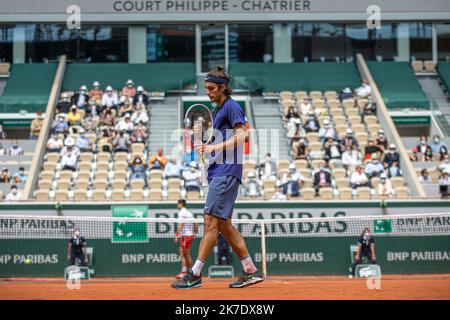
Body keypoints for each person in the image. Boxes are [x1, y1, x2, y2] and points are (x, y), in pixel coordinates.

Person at [172, 65, 263, 290]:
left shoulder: (231, 106)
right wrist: (204, 145)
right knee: (223, 225)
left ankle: (194, 274)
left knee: (210, 221)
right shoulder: (217, 111)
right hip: (218, 172)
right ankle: (250, 270)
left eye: (212, 88)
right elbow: (214, 144)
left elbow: (242, 135)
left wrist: (216, 146)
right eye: (207, 88)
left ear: (223, 88)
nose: (209, 92)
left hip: (227, 172)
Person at [174, 200, 198, 279]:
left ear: (181, 204)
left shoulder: (181, 213)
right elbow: (196, 223)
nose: (177, 205)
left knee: (184, 253)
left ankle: (186, 272)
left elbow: (181, 224)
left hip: (185, 236)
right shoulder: (189, 213)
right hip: (189, 235)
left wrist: (177, 235)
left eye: (178, 204)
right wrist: (194, 233)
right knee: (185, 253)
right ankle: (190, 272)